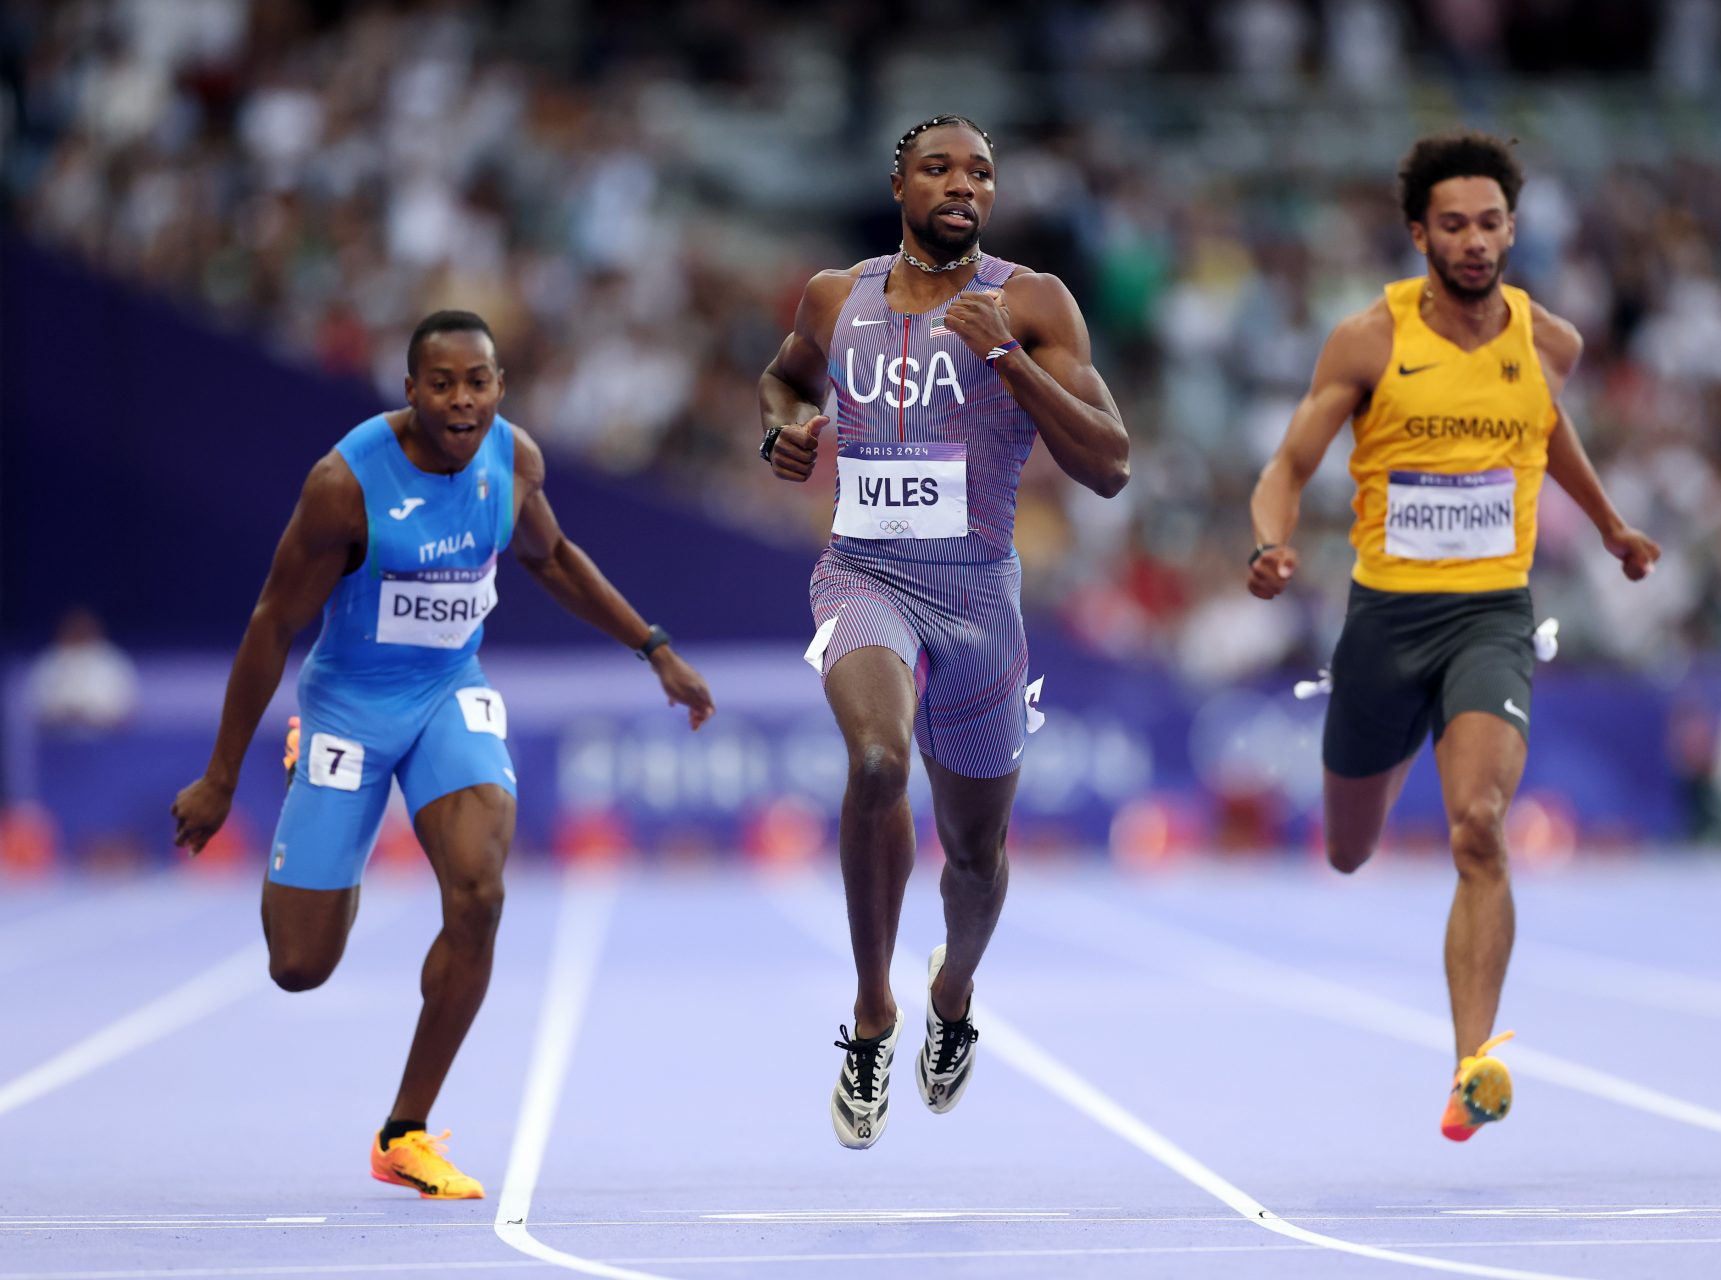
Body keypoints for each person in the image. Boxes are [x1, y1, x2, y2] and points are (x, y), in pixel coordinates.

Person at [171, 311, 714, 1197]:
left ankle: (404, 1132)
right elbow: (274, 622)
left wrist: (654, 649)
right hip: (346, 708)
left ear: (499, 387)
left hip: (446, 695)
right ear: (412, 389)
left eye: (480, 383)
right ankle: (323, 810)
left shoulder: (515, 459)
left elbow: (556, 559)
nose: (462, 401)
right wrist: (222, 776)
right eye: (443, 384)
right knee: (299, 966)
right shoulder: (344, 485)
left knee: (479, 889)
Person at [1246, 132, 1659, 1142]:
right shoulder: (1368, 342)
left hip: (1492, 614)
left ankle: (1475, 1061)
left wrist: (1609, 527)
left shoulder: (1547, 339)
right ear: (1418, 233)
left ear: (1512, 229)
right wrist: (1270, 542)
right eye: (1453, 225)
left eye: (1489, 223)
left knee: (1479, 820)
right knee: (1349, 850)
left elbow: (1546, 427)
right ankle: (1379, 761)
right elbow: (1289, 465)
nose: (1474, 241)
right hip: (1386, 620)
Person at [758, 115, 1129, 1149]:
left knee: (976, 852)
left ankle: (951, 991)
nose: (963, 184)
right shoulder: (838, 296)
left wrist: (1008, 354)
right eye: (939, 168)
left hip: (979, 605)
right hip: (864, 578)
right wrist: (785, 427)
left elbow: (1110, 463)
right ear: (899, 185)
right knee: (877, 760)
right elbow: (785, 377)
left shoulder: (1032, 301)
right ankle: (873, 1010)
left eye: (981, 172)